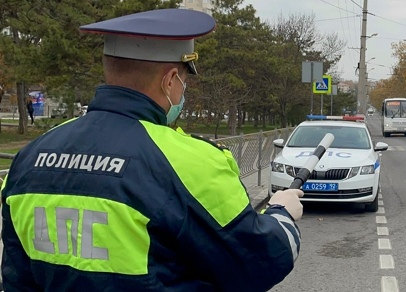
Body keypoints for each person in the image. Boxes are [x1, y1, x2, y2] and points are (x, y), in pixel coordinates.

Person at [1, 9, 304, 291]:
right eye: (185, 80)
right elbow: (256, 262)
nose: (184, 89)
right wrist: (282, 214)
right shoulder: (192, 162)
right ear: (171, 80)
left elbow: (16, 276)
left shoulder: (31, 156)